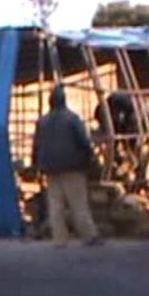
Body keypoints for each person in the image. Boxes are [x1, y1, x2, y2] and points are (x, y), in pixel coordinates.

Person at [32, 85, 103, 247]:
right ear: (64, 101)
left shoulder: (42, 121)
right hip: (72, 167)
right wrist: (90, 160)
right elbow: (84, 142)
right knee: (78, 203)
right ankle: (89, 235)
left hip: (50, 168)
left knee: (55, 205)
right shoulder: (72, 119)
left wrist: (36, 165)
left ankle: (59, 239)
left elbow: (36, 146)